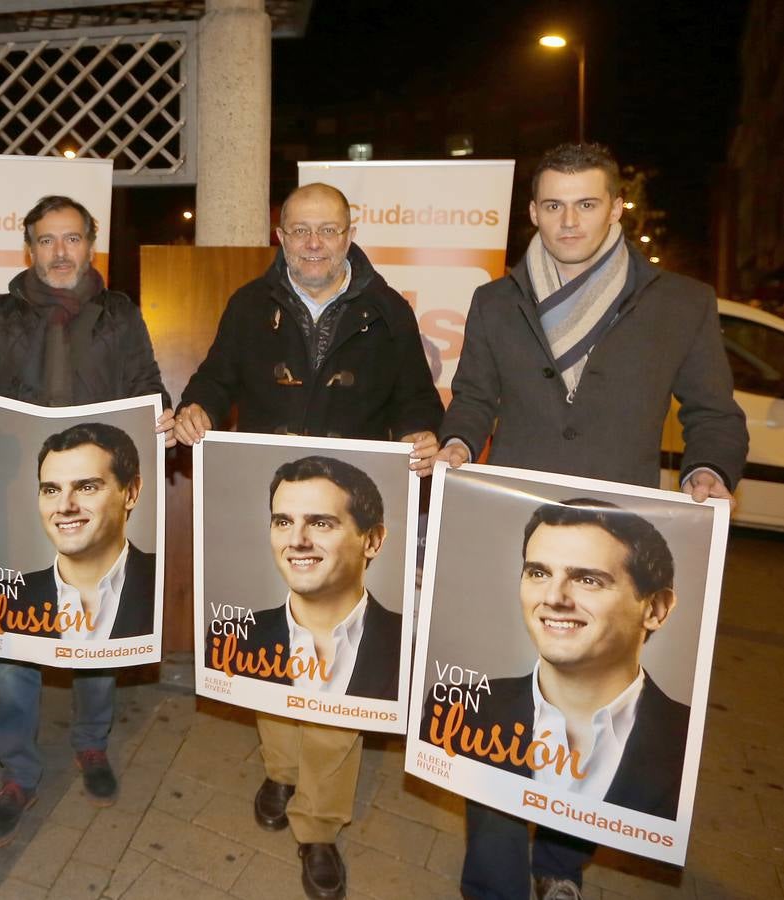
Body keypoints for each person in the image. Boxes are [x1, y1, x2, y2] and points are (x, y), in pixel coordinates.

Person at [435, 142, 748, 900]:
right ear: (532, 211)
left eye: (584, 204)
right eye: (550, 205)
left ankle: (561, 864)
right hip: (519, 531)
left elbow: (714, 415)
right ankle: (493, 883)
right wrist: (452, 439)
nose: (566, 220)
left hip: (617, 535)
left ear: (615, 208)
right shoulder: (494, 300)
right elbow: (474, 398)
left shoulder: (680, 301)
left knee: (596, 706)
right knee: (500, 707)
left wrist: (707, 469)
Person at [175, 182, 444, 900]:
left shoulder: (388, 312)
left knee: (336, 661)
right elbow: (213, 375)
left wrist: (424, 431)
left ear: (351, 230)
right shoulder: (246, 305)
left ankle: (318, 826)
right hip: (274, 502)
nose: (314, 243)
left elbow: (417, 397)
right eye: (300, 231)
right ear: (279, 235)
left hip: (345, 512)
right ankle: (281, 767)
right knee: (276, 647)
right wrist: (194, 405)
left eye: (328, 230)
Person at [0, 194, 173, 848]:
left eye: (71, 239)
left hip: (95, 503)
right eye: (46, 240)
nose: (59, 252)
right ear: (30, 248)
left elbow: (148, 386)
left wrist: (161, 417)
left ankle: (91, 745)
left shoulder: (120, 314)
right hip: (20, 499)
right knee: (13, 649)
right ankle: (17, 773)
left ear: (90, 244)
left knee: (97, 634)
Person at [423, 499, 688, 819]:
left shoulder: (684, 743)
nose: (552, 598)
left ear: (655, 608)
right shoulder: (457, 711)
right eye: (538, 573)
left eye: (588, 580)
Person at [205, 455, 401, 702]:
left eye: (320, 523)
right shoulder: (230, 640)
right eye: (283, 522)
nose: (297, 541)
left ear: (372, 540)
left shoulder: (411, 651)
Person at [0, 422, 155, 641]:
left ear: (130, 493)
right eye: (51, 490)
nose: (64, 506)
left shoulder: (171, 587)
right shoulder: (2, 601)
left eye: (86, 488)